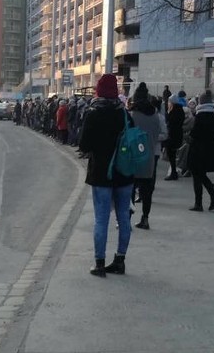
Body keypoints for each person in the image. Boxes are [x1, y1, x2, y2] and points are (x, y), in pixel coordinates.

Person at [78, 74, 134, 277]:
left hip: (101, 173)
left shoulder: (94, 113)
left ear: (99, 90)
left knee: (101, 219)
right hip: (124, 172)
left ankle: (99, 264)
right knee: (123, 219)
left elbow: (83, 145)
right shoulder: (124, 114)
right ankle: (120, 261)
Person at [129, 83, 162, 229]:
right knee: (146, 191)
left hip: (133, 157)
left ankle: (126, 220)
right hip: (149, 156)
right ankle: (145, 218)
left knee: (129, 190)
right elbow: (159, 134)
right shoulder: (155, 115)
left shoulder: (131, 115)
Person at [187, 90, 214, 212]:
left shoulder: (200, 116)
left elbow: (194, 133)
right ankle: (212, 198)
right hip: (210, 149)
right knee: (202, 175)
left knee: (197, 175)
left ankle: (200, 202)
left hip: (197, 150)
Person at [164, 94, 185, 180]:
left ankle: (173, 172)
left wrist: (168, 113)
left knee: (171, 155)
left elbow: (170, 122)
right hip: (178, 134)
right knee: (173, 155)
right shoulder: (180, 110)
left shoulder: (173, 111)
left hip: (172, 135)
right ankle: (173, 172)